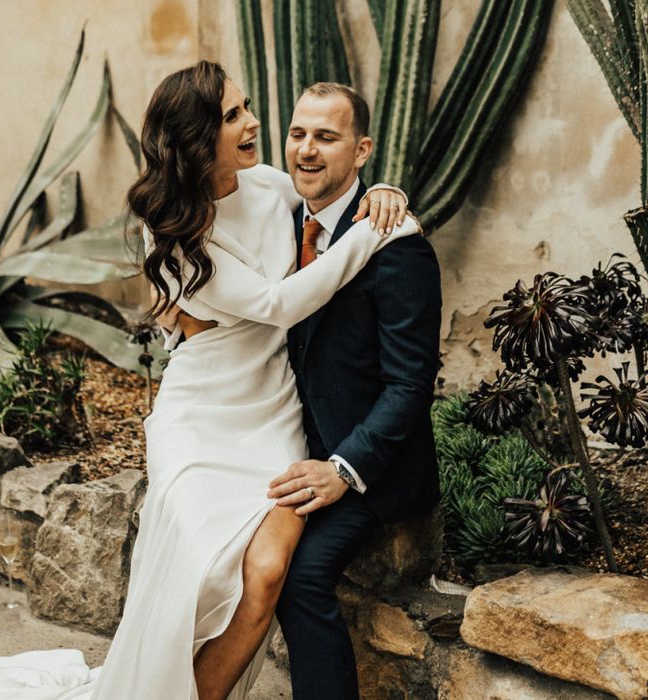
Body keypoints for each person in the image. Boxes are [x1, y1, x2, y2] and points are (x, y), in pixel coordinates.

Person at [0, 61, 417, 700]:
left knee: (266, 572)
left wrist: (386, 195)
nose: (254, 123)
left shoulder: (268, 183)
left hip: (272, 409)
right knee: (198, 574)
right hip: (201, 412)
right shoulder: (183, 232)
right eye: (233, 115)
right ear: (196, 138)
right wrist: (378, 236)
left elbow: (333, 193)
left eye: (246, 108)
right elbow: (277, 303)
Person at [268, 83, 443, 699]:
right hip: (286, 440)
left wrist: (343, 469)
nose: (306, 151)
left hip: (374, 464)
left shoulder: (399, 246)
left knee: (298, 576)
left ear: (362, 149)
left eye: (326, 136)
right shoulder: (279, 221)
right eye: (297, 134)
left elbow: (410, 384)